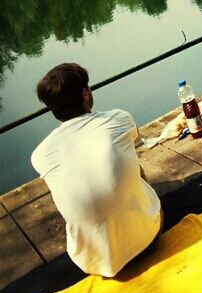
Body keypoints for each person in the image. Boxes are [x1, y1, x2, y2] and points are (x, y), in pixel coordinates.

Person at [31, 63, 162, 277]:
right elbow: (132, 140)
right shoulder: (118, 119)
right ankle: (138, 217)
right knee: (129, 162)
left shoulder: (40, 155)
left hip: (95, 264)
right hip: (148, 241)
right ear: (85, 93)